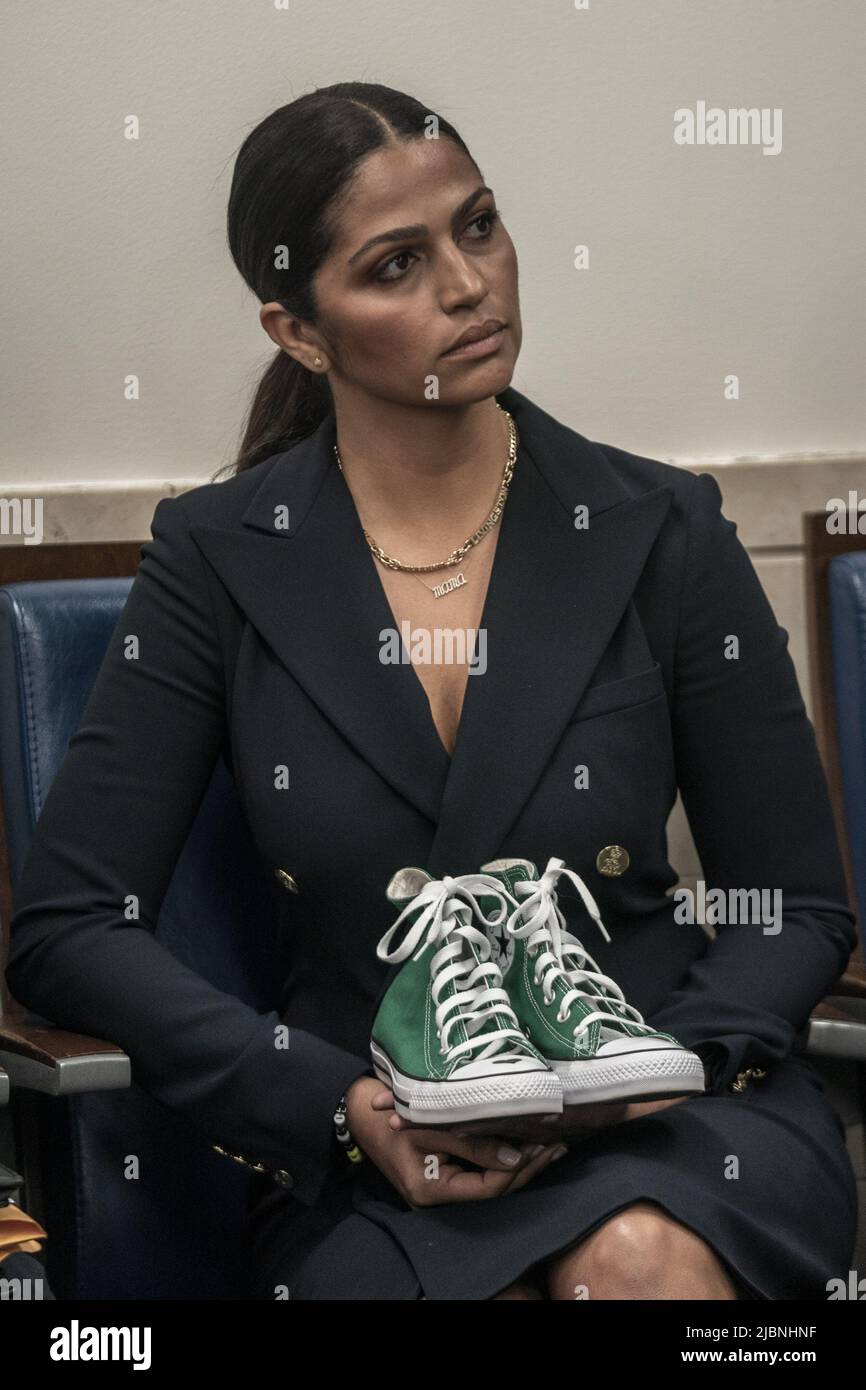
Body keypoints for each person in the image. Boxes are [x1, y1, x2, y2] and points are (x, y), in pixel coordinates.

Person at [5, 82, 859, 1302]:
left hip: (676, 1120)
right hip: (373, 1144)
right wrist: (333, 1103)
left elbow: (797, 908)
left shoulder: (656, 525)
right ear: (299, 332)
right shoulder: (218, 557)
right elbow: (68, 927)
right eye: (395, 265)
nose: (468, 286)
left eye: (477, 226)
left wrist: (667, 1062)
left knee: (633, 1259)